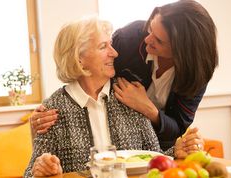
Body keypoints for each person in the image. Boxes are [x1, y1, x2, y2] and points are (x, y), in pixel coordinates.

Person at [24, 17, 203, 177]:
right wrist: (44, 170)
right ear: (80, 59)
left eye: (111, 44)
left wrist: (176, 151)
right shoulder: (53, 109)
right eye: (104, 46)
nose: (115, 53)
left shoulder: (129, 95)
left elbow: (153, 157)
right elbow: (32, 172)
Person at [30, 0, 217, 151]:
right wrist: (41, 116)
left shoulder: (197, 72)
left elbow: (174, 130)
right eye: (150, 28)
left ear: (181, 51)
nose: (147, 39)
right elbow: (89, 70)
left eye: (158, 40)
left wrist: (147, 108)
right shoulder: (129, 40)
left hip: (157, 142)